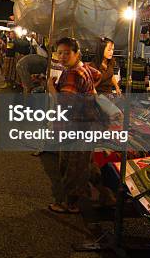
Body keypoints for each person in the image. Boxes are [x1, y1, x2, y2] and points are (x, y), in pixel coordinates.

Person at [47, 37, 101, 214]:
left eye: (67, 53)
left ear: (77, 53)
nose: (62, 56)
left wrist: (51, 88)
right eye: (59, 52)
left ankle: (70, 204)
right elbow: (97, 75)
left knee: (70, 166)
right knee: (79, 165)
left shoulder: (72, 73)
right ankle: (84, 194)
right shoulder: (83, 68)